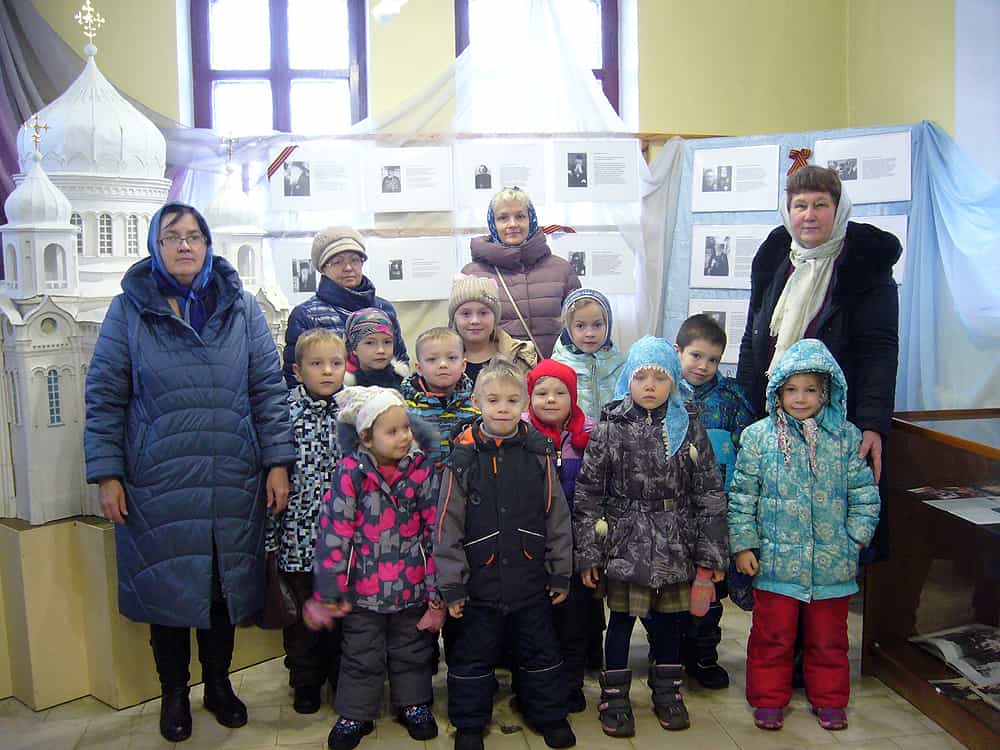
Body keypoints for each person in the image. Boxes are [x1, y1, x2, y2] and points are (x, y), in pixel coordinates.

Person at [84, 202, 295, 743]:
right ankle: (174, 693)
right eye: (172, 236)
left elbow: (267, 390)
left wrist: (277, 462)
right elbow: (105, 395)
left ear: (207, 244)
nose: (184, 245)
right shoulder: (129, 310)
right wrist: (107, 474)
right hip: (157, 476)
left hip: (232, 472)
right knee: (170, 589)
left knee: (223, 587)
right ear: (156, 245)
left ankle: (218, 686)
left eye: (194, 235)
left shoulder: (240, 308)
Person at [573, 336, 728, 738]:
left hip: (675, 542)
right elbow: (588, 494)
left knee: (667, 625)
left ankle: (668, 692)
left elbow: (709, 492)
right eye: (641, 377)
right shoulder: (610, 427)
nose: (649, 386)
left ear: (673, 381)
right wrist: (589, 553)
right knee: (621, 622)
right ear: (628, 378)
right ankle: (614, 696)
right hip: (623, 544)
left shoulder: (689, 427)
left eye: (659, 378)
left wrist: (710, 554)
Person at [728, 339, 880, 732]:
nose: (800, 398)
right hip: (775, 565)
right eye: (792, 389)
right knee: (771, 637)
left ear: (826, 392)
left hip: (832, 566)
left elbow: (865, 495)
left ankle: (830, 699)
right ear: (778, 391)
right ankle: (767, 699)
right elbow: (742, 496)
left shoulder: (846, 437)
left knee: (829, 640)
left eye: (810, 389)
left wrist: (855, 539)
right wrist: (743, 545)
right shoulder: (758, 437)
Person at [435, 359, 576, 750]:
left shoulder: (538, 451)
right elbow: (446, 524)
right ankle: (469, 723)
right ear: (476, 402)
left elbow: (557, 516)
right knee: (472, 655)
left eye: (512, 400)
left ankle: (548, 714)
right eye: (493, 400)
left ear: (525, 403)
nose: (502, 408)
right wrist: (452, 585)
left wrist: (560, 571)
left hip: (531, 580)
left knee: (540, 652)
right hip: (479, 584)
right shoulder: (462, 456)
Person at [737, 165, 900, 489]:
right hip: (773, 423)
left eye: (820, 205)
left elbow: (879, 352)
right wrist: (742, 409)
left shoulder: (866, 265)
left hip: (837, 429)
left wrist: (872, 424)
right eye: (800, 205)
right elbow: (752, 340)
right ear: (788, 211)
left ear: (838, 209)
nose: (809, 215)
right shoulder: (774, 258)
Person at [304, 386, 444, 750]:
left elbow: (435, 531)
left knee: (412, 649)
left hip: (411, 585)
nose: (404, 437)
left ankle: (413, 704)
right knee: (360, 653)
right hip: (363, 590)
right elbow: (334, 532)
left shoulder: (421, 470)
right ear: (367, 438)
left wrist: (436, 589)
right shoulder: (350, 472)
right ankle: (356, 713)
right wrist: (329, 589)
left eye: (406, 428)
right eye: (392, 431)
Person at [265, 328, 347, 715]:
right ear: (298, 371)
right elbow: (271, 480)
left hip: (344, 543)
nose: (327, 371)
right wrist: (271, 539)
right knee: (302, 622)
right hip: (298, 540)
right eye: (317, 364)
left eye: (336, 363)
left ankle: (341, 677)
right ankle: (305, 682)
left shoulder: (353, 413)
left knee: (341, 617)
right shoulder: (283, 415)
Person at [674, 314, 755, 689]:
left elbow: (746, 451)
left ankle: (704, 656)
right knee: (672, 588)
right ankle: (670, 653)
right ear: (678, 351)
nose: (703, 366)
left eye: (713, 359)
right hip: (672, 512)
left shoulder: (732, 398)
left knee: (710, 588)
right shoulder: (663, 392)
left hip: (715, 512)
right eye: (696, 355)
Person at [523, 359, 594, 714]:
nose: (550, 399)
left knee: (574, 621)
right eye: (541, 393)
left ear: (573, 397)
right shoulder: (520, 436)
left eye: (560, 392)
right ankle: (536, 684)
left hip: (577, 547)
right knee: (536, 624)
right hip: (532, 547)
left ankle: (571, 683)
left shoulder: (589, 438)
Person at [462, 187, 580, 357]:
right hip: (496, 372)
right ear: (493, 223)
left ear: (531, 219)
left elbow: (581, 325)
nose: (512, 224)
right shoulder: (472, 274)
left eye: (520, 216)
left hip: (553, 371)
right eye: (503, 218)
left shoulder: (562, 270)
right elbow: (459, 335)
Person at [284, 226, 408, 387]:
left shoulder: (384, 308)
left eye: (355, 260)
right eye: (338, 262)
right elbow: (294, 376)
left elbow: (400, 360)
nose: (348, 268)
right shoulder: (306, 314)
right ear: (323, 268)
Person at [401, 327, 478, 471]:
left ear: (463, 365)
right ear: (419, 368)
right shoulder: (405, 408)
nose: (443, 364)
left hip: (462, 479)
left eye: (452, 358)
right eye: (432, 359)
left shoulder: (476, 406)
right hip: (418, 480)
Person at [550, 289, 627, 421]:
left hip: (612, 432)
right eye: (580, 326)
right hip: (572, 432)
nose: (590, 333)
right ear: (568, 329)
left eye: (597, 325)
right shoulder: (557, 366)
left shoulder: (619, 363)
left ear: (608, 325)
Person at [448, 274, 538, 386]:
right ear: (454, 319)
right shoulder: (439, 360)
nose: (475, 321)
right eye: (466, 314)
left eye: (483, 313)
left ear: (495, 318)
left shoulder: (519, 356)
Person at [342, 308, 410, 390]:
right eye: (370, 343)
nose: (381, 350)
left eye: (387, 342)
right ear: (354, 348)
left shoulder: (406, 384)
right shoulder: (347, 388)